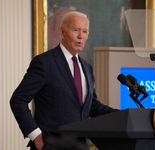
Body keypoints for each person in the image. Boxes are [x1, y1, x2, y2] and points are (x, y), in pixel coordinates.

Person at [10, 11, 118, 150]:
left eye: (85, 31)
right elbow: (18, 100)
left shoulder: (87, 67)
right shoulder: (45, 62)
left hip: (81, 145)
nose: (81, 36)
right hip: (51, 145)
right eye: (76, 30)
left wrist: (123, 115)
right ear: (62, 32)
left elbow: (91, 107)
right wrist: (35, 135)